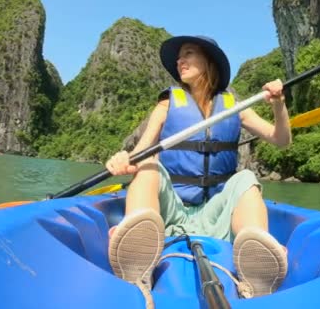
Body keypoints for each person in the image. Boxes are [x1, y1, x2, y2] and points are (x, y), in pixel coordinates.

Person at [105, 35, 291, 298]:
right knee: (148, 163)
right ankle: (138, 257)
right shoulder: (166, 104)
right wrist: (123, 159)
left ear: (209, 61)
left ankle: (254, 265)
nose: (180, 60)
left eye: (188, 53)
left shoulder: (235, 108)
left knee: (247, 177)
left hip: (216, 214)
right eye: (179, 57)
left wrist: (279, 105)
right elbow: (139, 153)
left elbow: (281, 140)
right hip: (172, 212)